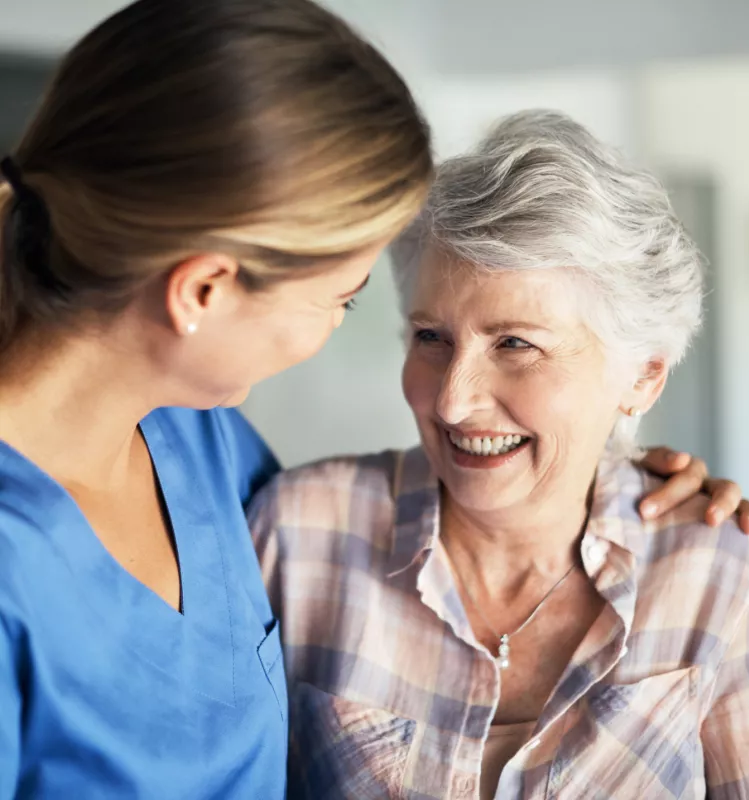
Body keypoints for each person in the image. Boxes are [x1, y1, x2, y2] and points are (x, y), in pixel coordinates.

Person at [251, 111, 749, 799]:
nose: (453, 402)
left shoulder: (717, 574)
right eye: (430, 337)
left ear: (643, 376)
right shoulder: (300, 533)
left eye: (516, 344)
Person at [0, 0, 432, 796]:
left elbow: (382, 545)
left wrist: (613, 497)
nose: (336, 324)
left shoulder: (205, 446)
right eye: (342, 296)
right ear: (202, 289)